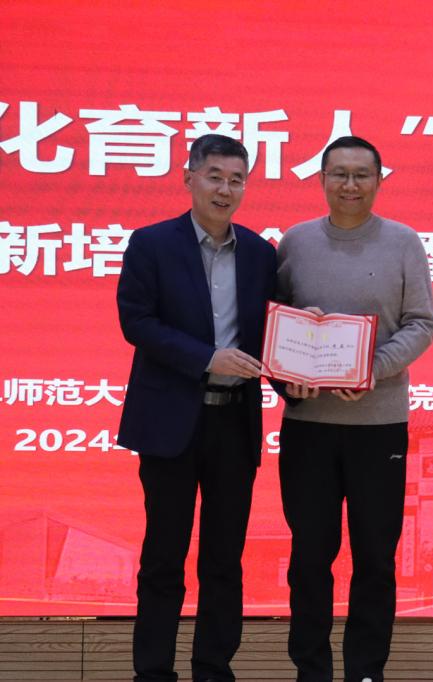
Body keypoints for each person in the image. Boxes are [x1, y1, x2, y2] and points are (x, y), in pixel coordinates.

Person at [116, 133, 278, 682]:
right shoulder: (151, 244)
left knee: (224, 559)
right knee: (164, 555)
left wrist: (305, 373)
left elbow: (273, 332)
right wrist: (207, 358)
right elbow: (137, 322)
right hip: (170, 423)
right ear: (189, 179)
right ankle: (153, 672)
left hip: (235, 421)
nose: (224, 189)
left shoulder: (260, 253)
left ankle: (213, 669)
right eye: (214, 176)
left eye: (236, 180)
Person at [275, 136, 433, 682]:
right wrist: (286, 379)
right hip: (309, 427)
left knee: (375, 558)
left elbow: (422, 323)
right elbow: (274, 324)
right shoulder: (295, 242)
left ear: (379, 181)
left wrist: (375, 368)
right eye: (338, 173)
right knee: (309, 558)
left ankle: (366, 671)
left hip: (379, 425)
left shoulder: (403, 242)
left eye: (361, 174)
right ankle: (311, 671)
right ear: (321, 179)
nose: (350, 184)